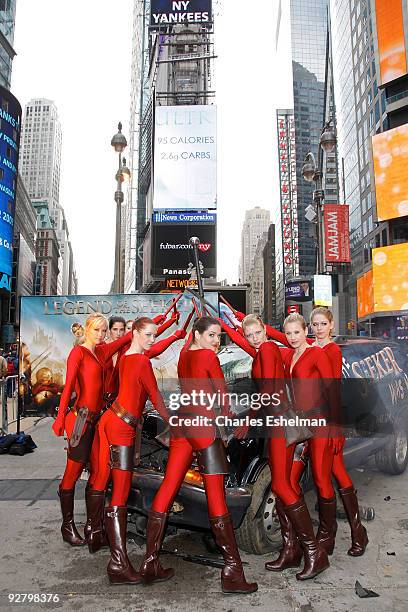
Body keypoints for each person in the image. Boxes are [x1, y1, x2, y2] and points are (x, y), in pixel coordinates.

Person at [137, 317, 258, 594]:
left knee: (167, 489)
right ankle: (232, 572)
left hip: (182, 426)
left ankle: (149, 562)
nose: (216, 341)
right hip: (204, 430)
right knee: (217, 500)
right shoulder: (207, 357)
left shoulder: (184, 355)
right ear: (198, 335)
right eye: (212, 335)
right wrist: (229, 419)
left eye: (218, 336)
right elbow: (222, 398)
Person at [219, 314, 329, 580]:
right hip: (276, 420)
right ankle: (292, 549)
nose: (255, 338)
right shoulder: (261, 349)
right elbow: (244, 345)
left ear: (265, 332)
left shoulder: (268, 349)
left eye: (258, 332)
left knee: (281, 486)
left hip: (280, 420)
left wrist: (249, 417)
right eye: (250, 335)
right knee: (285, 486)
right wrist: (226, 323)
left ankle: (314, 552)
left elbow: (268, 388)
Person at [91, 316, 187, 584]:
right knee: (119, 493)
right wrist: (173, 422)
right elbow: (155, 395)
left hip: (112, 421)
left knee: (107, 484)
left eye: (154, 335)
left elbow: (137, 394)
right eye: (148, 335)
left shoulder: (125, 358)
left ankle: (112, 554)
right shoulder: (141, 361)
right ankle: (118, 564)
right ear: (134, 333)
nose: (152, 340)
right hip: (121, 427)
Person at [268, 307, 368, 557]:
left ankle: (348, 532)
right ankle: (311, 538)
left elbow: (333, 389)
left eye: (323, 324)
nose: (318, 328)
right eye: (314, 324)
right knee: (311, 477)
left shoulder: (330, 350)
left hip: (324, 419)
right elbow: (287, 338)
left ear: (332, 325)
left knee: (334, 474)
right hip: (305, 423)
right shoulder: (304, 346)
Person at [51, 314, 132, 550]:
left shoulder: (101, 351)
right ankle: (67, 526)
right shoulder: (79, 353)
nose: (101, 334)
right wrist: (58, 419)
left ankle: (92, 527)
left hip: (97, 420)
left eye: (104, 330)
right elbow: (68, 388)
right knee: (73, 472)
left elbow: (126, 338)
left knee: (99, 472)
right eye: (96, 330)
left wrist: (160, 320)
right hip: (80, 420)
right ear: (87, 329)